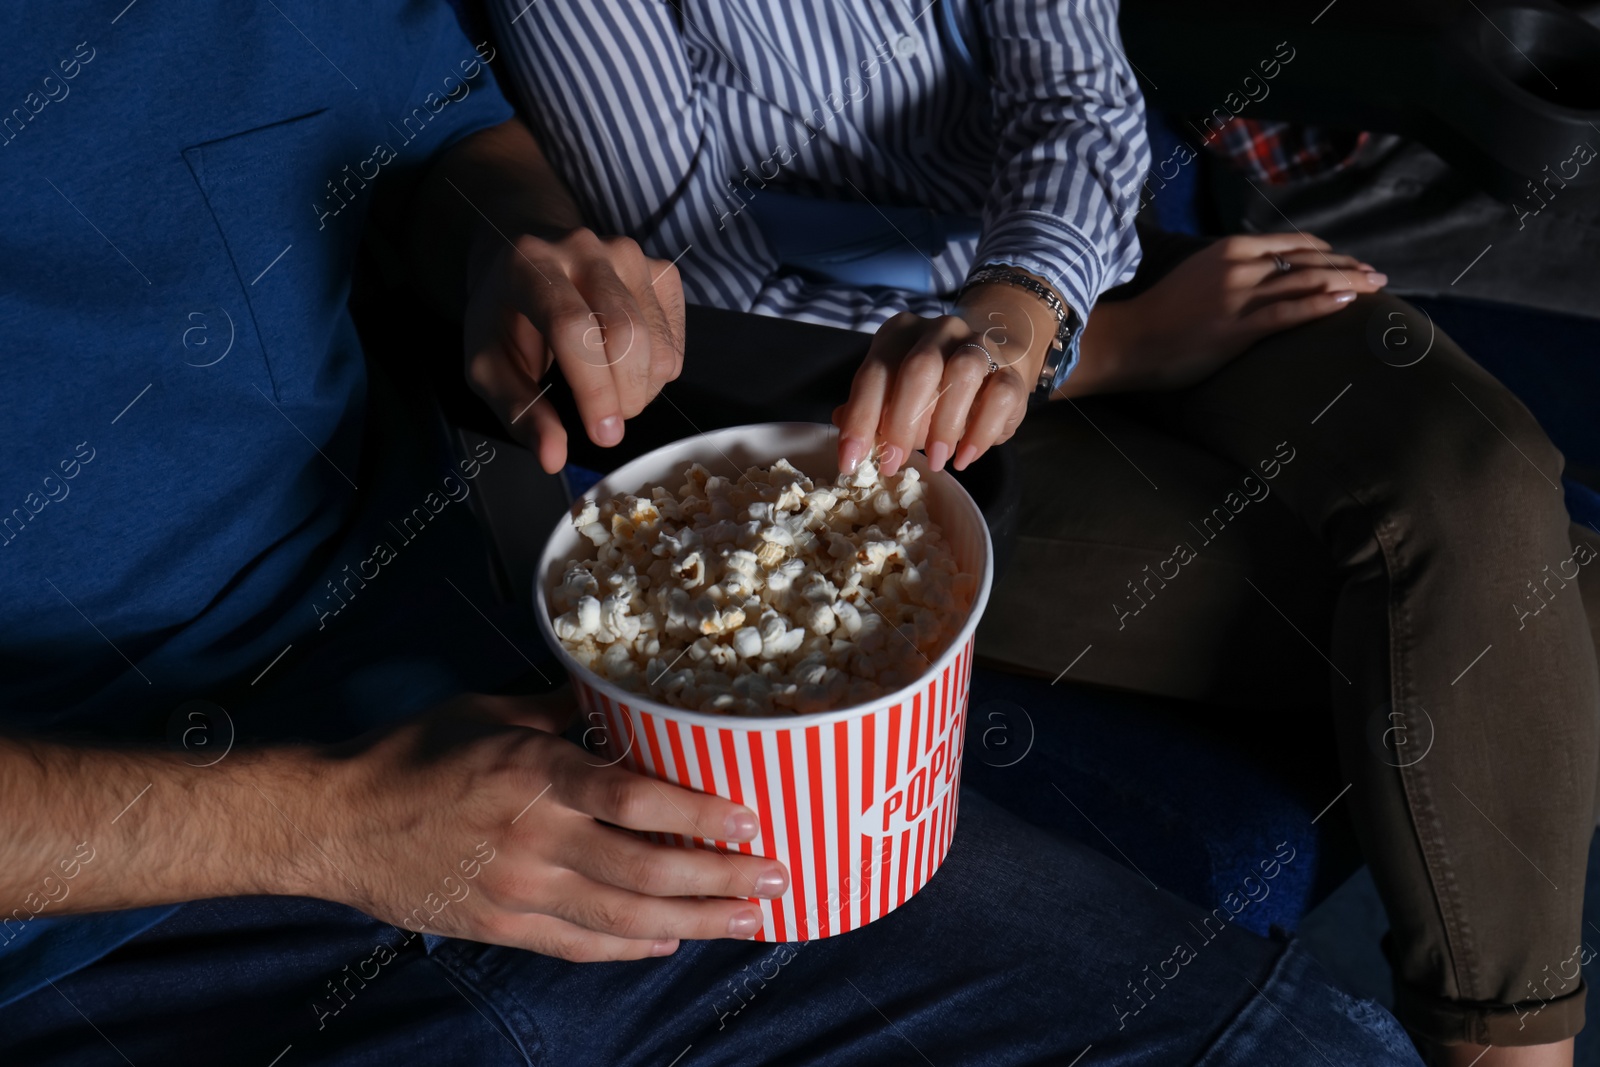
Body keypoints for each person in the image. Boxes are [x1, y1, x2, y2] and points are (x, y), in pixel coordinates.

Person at [0, 2, 1421, 1064]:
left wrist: (520, 245)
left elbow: (437, 126)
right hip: (126, 909)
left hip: (496, 680)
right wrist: (334, 820)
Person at [487, 1, 1600, 1064]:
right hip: (851, 416)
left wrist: (1031, 313)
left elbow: (1077, 91)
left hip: (1059, 272)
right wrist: (1113, 350)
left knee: (1476, 475)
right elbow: (695, 285)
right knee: (1503, 599)